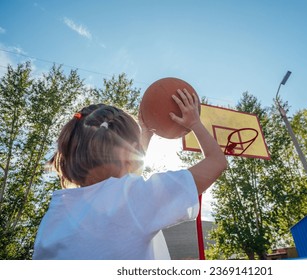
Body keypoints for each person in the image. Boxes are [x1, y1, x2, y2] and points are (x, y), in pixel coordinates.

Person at [32, 89, 227, 260]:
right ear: (129, 152)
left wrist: (144, 135)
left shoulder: (56, 215)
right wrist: (194, 122)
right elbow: (216, 162)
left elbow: (124, 190)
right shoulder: (133, 200)